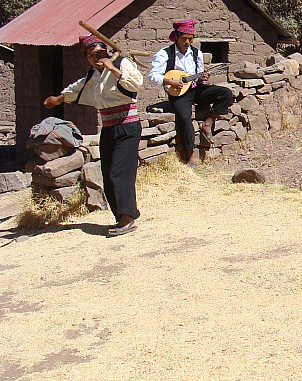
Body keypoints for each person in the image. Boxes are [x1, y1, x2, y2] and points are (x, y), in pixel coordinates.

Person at [44, 35, 143, 236]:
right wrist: (57, 100)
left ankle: (128, 217)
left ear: (107, 51)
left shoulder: (122, 64)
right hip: (108, 127)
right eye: (91, 55)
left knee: (119, 172)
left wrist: (112, 68)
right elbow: (75, 89)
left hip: (128, 126)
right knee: (108, 173)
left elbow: (135, 84)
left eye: (99, 52)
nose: (95, 57)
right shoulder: (93, 75)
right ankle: (120, 217)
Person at [147, 19, 233, 168]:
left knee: (226, 93)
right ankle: (191, 155)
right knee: (185, 117)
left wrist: (202, 77)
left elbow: (199, 75)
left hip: (196, 89)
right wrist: (170, 81)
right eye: (184, 39)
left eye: (190, 39)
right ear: (176, 37)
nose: (187, 42)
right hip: (179, 93)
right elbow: (152, 76)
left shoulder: (196, 53)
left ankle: (208, 122)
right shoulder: (165, 54)